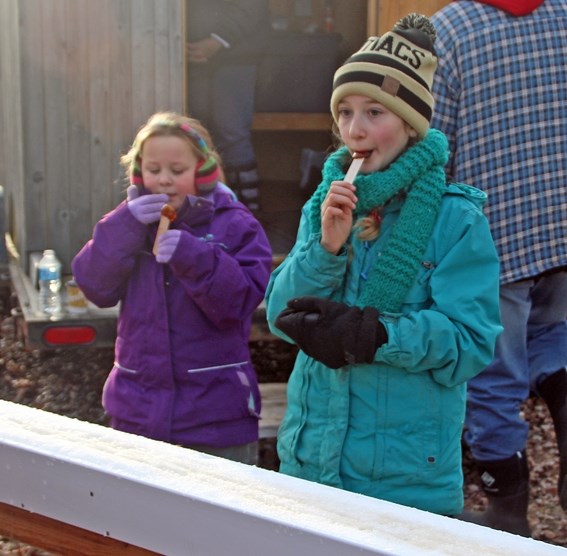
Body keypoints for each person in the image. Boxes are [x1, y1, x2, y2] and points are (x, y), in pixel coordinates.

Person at [265, 14, 502, 516]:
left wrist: (377, 337)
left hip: (404, 482)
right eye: (346, 112)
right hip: (311, 467)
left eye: (375, 112)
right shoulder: (324, 203)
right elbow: (279, 317)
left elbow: (471, 342)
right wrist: (325, 250)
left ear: (411, 125)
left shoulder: (454, 218)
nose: (356, 129)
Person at [430, 0, 567, 536]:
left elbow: (434, 142)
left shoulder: (449, 31)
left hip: (493, 233)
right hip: (560, 221)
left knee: (491, 372)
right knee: (555, 338)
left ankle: (506, 508)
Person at [72, 111, 272, 465]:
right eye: (153, 169)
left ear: (203, 170)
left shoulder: (236, 224)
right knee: (134, 519)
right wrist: (124, 226)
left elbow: (238, 304)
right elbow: (94, 286)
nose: (163, 180)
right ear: (138, 172)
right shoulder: (128, 221)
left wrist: (192, 255)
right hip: (137, 414)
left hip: (216, 418)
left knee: (216, 518)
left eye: (177, 171)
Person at [185, 0, 270, 213]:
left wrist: (216, 41)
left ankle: (247, 215)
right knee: (195, 134)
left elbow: (252, 5)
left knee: (232, 134)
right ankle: (203, 211)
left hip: (237, 56)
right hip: (192, 58)